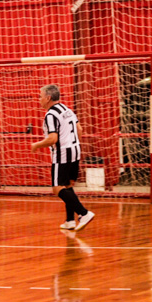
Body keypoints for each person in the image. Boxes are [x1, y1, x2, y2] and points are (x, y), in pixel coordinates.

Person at [31, 84, 94, 231]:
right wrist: (74, 144)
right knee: (68, 185)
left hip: (62, 153)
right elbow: (79, 129)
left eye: (40, 96)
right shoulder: (67, 109)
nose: (39, 99)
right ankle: (70, 221)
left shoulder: (50, 115)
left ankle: (84, 213)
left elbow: (53, 139)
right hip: (75, 150)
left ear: (48, 98)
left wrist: (36, 145)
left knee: (57, 188)